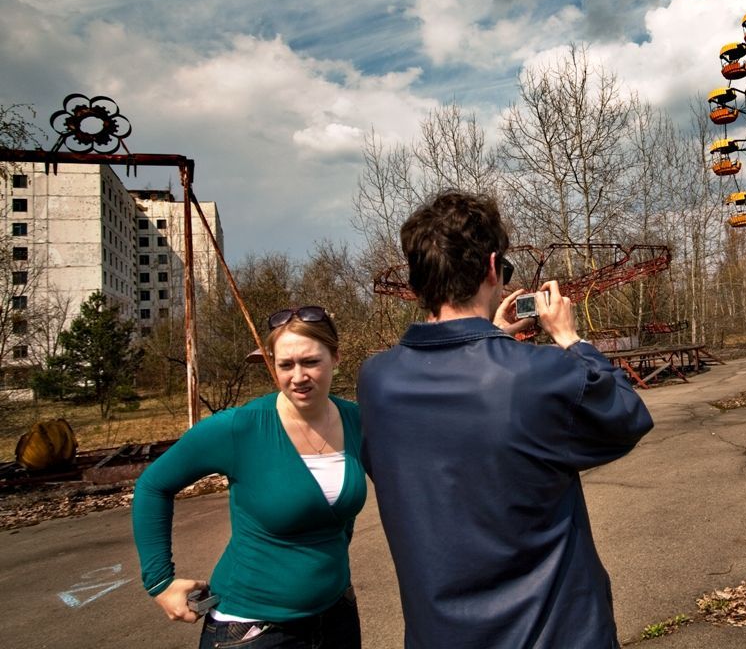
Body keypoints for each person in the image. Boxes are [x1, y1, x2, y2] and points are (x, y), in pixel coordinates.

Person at [357, 191, 653, 649]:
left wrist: (489, 340)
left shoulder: (377, 382)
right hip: (553, 633)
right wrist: (571, 340)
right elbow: (627, 415)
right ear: (493, 268)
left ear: (417, 285)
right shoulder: (539, 375)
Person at [132, 306, 367, 649]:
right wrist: (159, 583)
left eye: (311, 362)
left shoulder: (357, 422)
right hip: (253, 632)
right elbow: (153, 485)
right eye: (285, 365)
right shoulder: (240, 428)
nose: (298, 376)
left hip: (336, 620)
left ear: (336, 357)